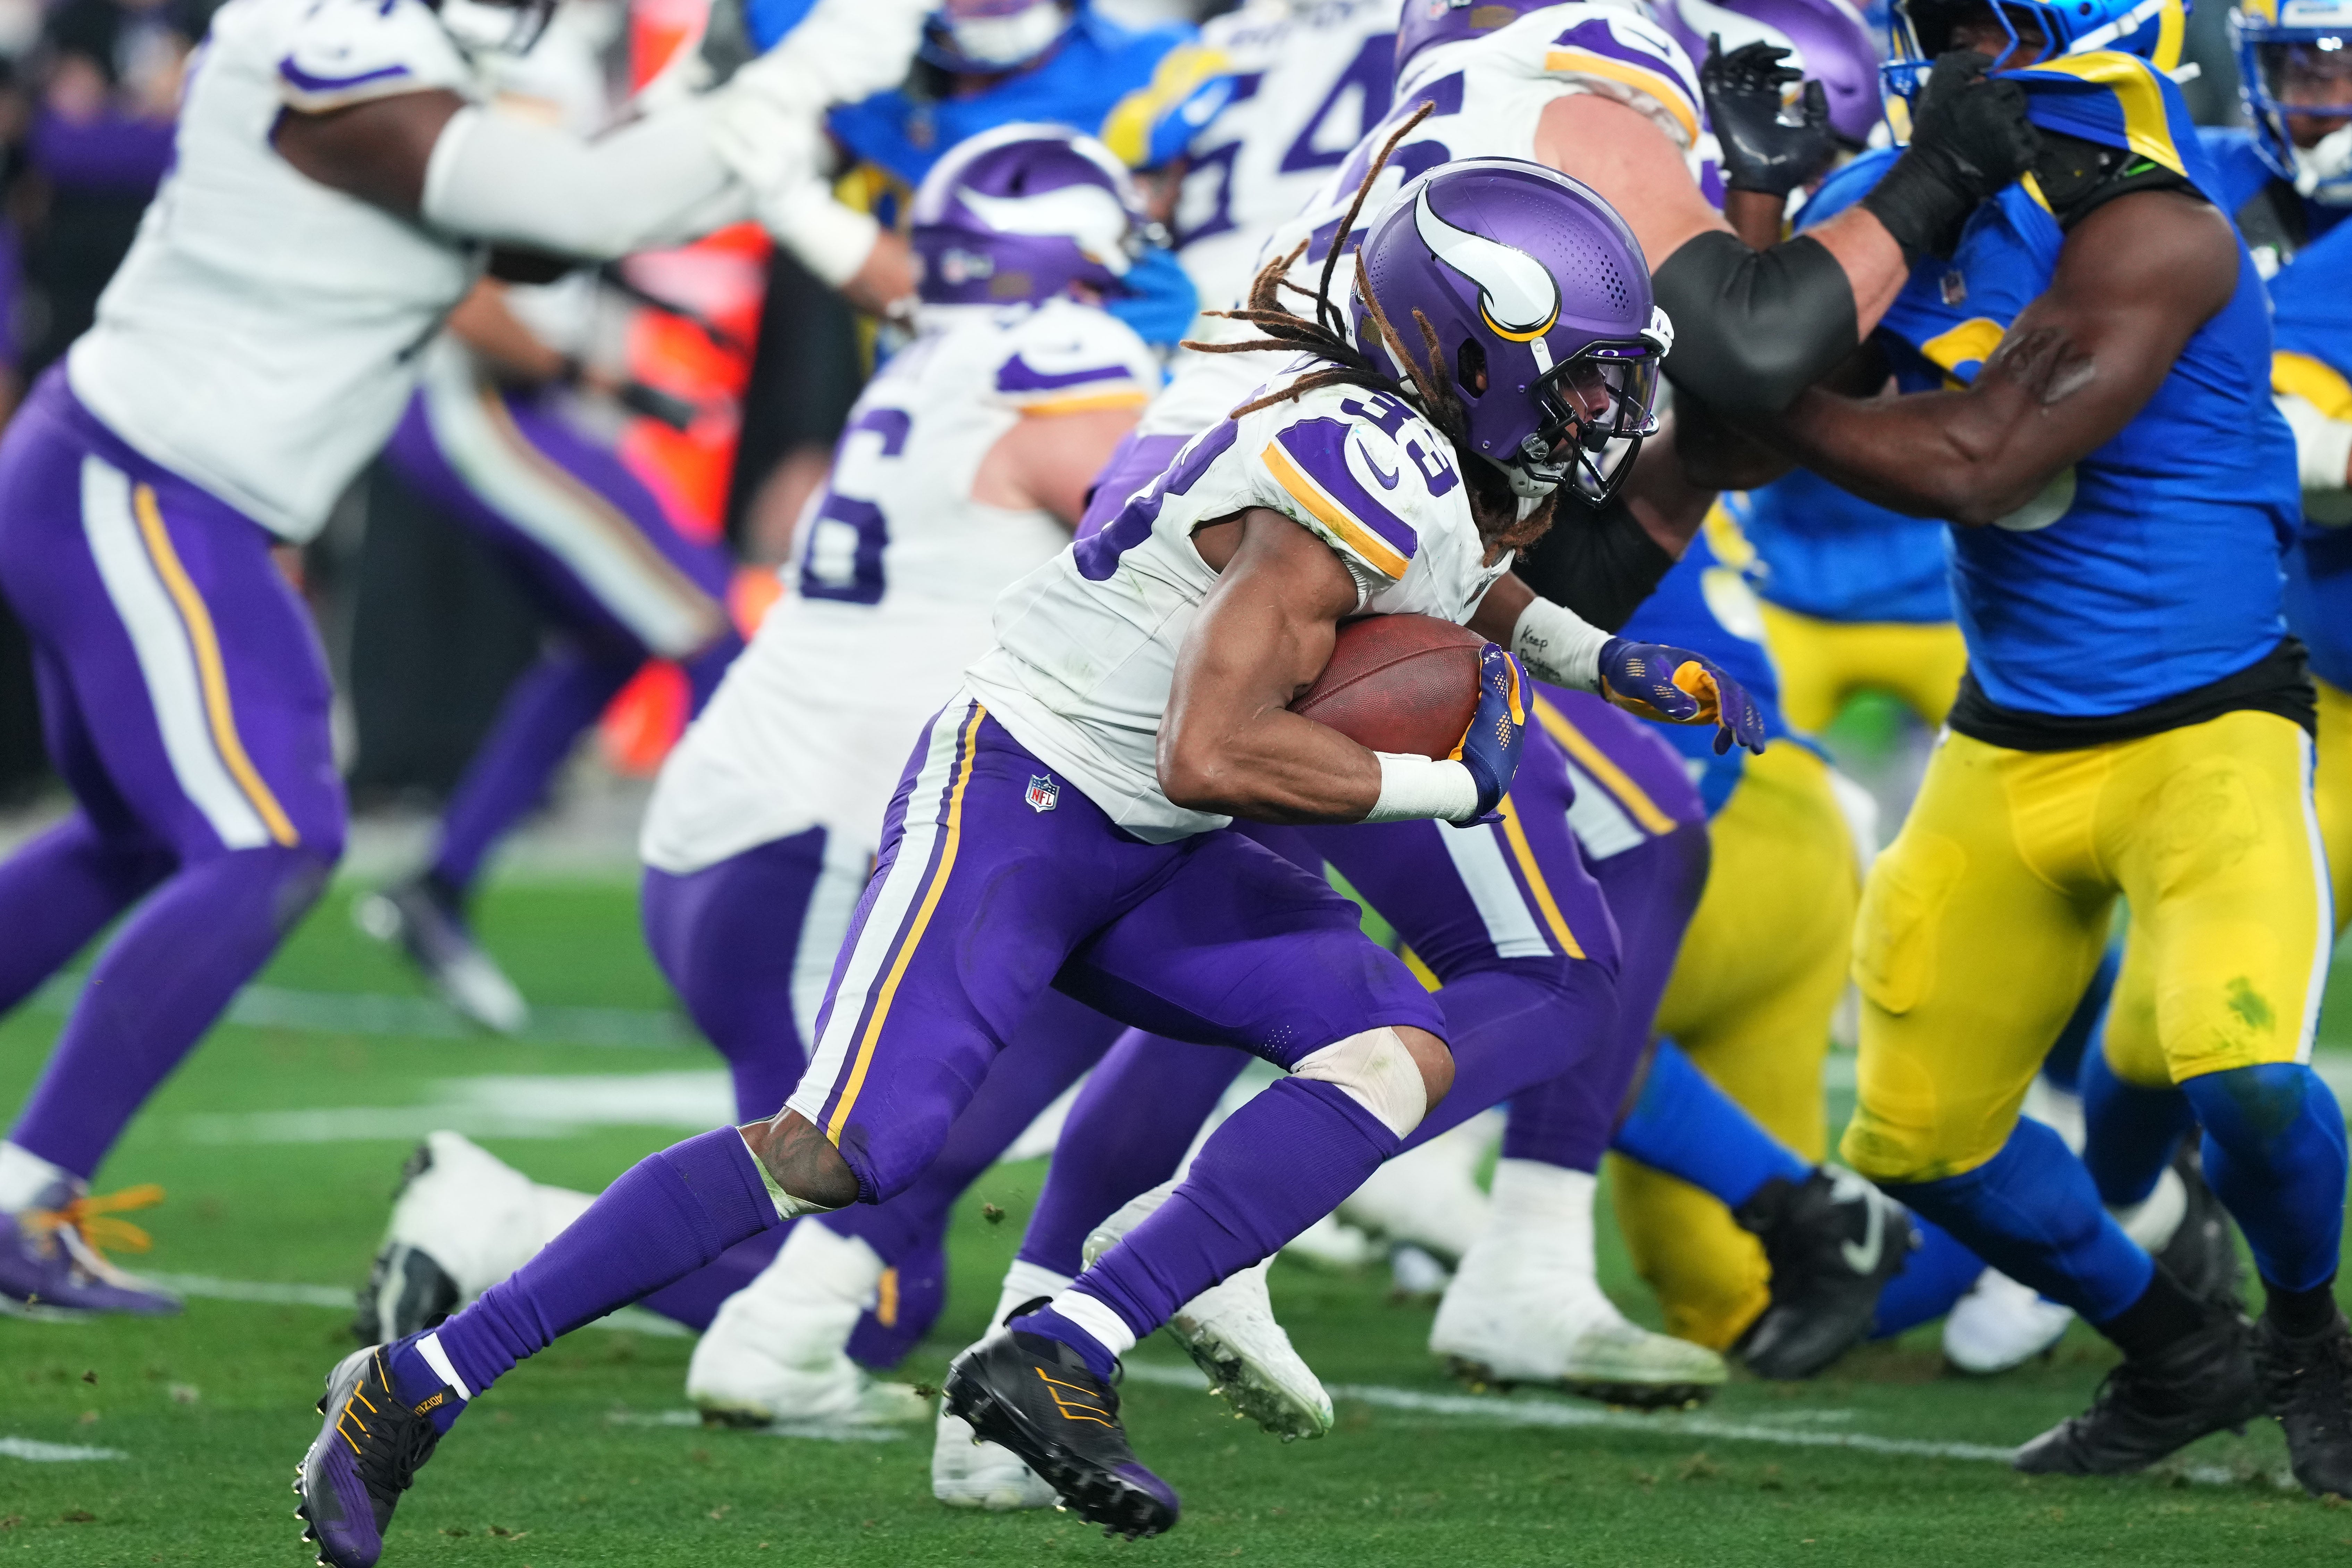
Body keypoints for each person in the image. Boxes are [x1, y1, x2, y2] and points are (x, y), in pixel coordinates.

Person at [291, 154, 1758, 1555]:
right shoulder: (1352, 460)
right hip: (1028, 801)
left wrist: (1591, 655)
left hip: (1165, 839)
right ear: (1470, 349)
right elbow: (1214, 748)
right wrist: (1436, 786)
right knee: (837, 1153)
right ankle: (416, 1378)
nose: (1602, 409)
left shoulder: (1406, 452)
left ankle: (1063, 1343)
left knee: (1394, 1048)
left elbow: (1444, 586)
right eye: (1577, 373)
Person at [0, 0, 928, 1317]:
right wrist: (807, 70)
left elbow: (547, 234)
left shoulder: (432, 64)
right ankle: (25, 1192)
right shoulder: (327, 45)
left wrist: (735, 114)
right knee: (267, 837)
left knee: (133, 840)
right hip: (144, 485)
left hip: (171, 493)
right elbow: (583, 208)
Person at [1709, 0, 2352, 1495]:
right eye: (1920, 20)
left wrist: (1758, 357)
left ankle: (2307, 1337)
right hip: (2005, 743)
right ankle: (2176, 1350)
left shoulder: (2157, 230)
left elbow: (1974, 456)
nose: (1933, 47)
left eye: (1964, 21)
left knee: (2238, 1065)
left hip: (2202, 731)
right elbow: (1742, 424)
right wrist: (1762, 212)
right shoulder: (1914, 198)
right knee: (1913, 1137)